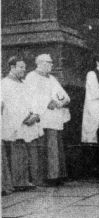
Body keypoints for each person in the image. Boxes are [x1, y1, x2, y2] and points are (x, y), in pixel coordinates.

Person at [25, 54, 70, 186]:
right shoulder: (31, 77)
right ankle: (46, 177)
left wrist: (59, 101)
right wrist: (47, 102)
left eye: (51, 63)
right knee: (45, 148)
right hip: (42, 118)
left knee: (55, 147)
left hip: (54, 117)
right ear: (41, 63)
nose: (51, 65)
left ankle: (56, 176)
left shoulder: (52, 78)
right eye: (49, 63)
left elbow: (63, 95)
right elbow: (31, 96)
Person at [2, 56, 43, 194]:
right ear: (12, 67)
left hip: (28, 121)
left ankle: (24, 180)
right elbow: (9, 106)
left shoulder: (24, 83)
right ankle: (18, 182)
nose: (24, 70)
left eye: (25, 67)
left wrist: (35, 114)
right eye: (21, 67)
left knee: (25, 152)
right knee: (17, 151)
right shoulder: (5, 84)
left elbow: (32, 100)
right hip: (15, 122)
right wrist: (25, 118)